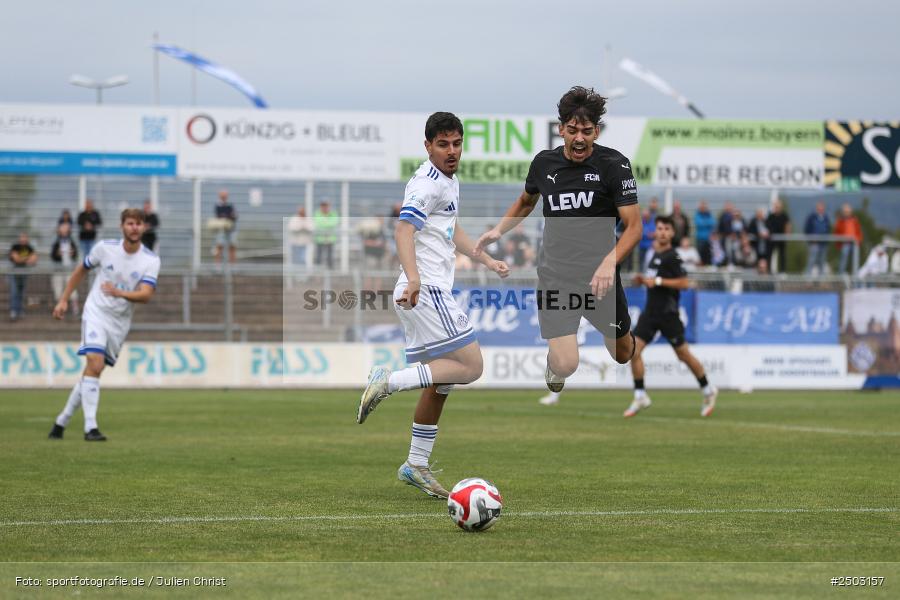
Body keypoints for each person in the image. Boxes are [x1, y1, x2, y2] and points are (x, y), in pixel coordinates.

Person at [356, 112, 509, 499]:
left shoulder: (447, 181)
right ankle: (387, 381)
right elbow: (403, 228)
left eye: (457, 143)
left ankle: (416, 464)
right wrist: (415, 278)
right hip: (425, 291)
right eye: (443, 144)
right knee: (471, 367)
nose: (452, 151)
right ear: (428, 146)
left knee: (442, 381)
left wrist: (483, 257)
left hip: (424, 289)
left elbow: (447, 227)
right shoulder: (427, 184)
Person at [475, 86, 640, 395]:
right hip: (557, 277)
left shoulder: (615, 166)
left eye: (587, 131)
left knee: (622, 355)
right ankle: (555, 362)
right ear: (561, 129)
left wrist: (608, 264)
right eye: (573, 130)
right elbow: (526, 201)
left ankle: (623, 332)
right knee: (566, 365)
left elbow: (634, 227)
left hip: (600, 278)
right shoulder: (544, 164)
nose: (580, 138)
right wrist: (500, 230)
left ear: (597, 132)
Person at [47, 209, 160, 442]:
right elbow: (81, 270)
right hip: (96, 312)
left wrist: (120, 292)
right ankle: (91, 428)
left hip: (119, 322)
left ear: (144, 228)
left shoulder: (150, 260)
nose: (134, 228)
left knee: (93, 371)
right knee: (94, 363)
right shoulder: (104, 248)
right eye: (130, 223)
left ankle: (62, 421)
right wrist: (64, 299)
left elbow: (146, 295)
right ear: (122, 226)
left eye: (139, 224)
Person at [625, 216, 717, 418]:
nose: (663, 232)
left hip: (668, 314)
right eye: (660, 228)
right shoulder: (652, 254)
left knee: (683, 355)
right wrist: (643, 280)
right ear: (655, 232)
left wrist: (656, 281)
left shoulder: (672, 256)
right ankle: (640, 394)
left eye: (667, 228)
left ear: (673, 233)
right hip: (650, 313)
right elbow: (652, 281)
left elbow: (684, 283)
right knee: (634, 351)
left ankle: (708, 390)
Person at [50, 222, 80, 316]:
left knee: (72, 289)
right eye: (62, 228)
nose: (64, 230)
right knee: (58, 290)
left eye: (66, 228)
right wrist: (58, 254)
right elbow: (53, 256)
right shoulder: (56, 242)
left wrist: (73, 254)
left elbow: (75, 255)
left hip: (69, 269)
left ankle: (75, 308)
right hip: (58, 270)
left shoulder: (71, 242)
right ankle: (59, 310)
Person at [7, 232, 38, 321]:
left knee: (21, 292)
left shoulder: (29, 247)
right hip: (14, 273)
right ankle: (13, 311)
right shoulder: (15, 247)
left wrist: (22, 259)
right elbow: (16, 259)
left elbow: (34, 259)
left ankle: (20, 311)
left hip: (24, 274)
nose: (23, 239)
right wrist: (27, 258)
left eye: (25, 237)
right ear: (19, 238)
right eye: (22, 237)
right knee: (14, 292)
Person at [833, 203, 862, 275]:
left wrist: (858, 240)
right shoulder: (840, 221)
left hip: (854, 243)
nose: (847, 213)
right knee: (843, 260)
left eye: (848, 211)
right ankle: (840, 276)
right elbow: (837, 232)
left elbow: (858, 231)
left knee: (855, 260)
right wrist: (838, 243)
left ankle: (855, 276)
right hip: (844, 243)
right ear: (843, 212)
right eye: (845, 211)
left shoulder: (854, 220)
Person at [804, 201, 831, 275]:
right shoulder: (811, 217)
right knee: (811, 261)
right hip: (814, 244)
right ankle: (808, 279)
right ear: (817, 208)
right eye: (819, 208)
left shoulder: (826, 218)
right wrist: (811, 239)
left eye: (822, 208)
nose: (821, 209)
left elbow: (828, 230)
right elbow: (807, 229)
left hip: (823, 244)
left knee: (822, 262)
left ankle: (821, 280)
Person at [765, 199, 791, 273]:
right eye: (776, 207)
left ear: (781, 207)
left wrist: (787, 234)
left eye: (778, 207)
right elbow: (766, 226)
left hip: (781, 239)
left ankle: (783, 271)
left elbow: (788, 225)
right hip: (771, 239)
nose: (777, 208)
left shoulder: (784, 216)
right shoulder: (771, 216)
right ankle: (768, 271)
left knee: (782, 255)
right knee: (769, 255)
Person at [213, 189, 237, 264]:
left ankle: (232, 265)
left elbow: (234, 216)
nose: (224, 197)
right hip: (221, 229)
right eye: (222, 195)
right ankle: (217, 265)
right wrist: (228, 216)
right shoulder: (217, 205)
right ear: (220, 196)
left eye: (225, 195)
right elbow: (218, 216)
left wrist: (228, 216)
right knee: (219, 246)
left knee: (232, 246)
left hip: (231, 229)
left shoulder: (230, 205)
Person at [313, 201, 339, 269]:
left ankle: (330, 273)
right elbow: (318, 223)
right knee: (319, 257)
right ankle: (317, 274)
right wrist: (327, 223)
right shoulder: (317, 213)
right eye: (323, 206)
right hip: (320, 239)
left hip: (330, 239)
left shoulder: (333, 213)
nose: (324, 207)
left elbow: (334, 222)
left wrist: (324, 223)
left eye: (325, 206)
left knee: (330, 257)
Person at [694, 200, 715, 265]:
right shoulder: (697, 214)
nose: (703, 208)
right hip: (700, 239)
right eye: (702, 206)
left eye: (704, 206)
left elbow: (713, 223)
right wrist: (707, 222)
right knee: (700, 256)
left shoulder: (709, 214)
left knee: (708, 256)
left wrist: (704, 222)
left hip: (708, 239)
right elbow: (699, 223)